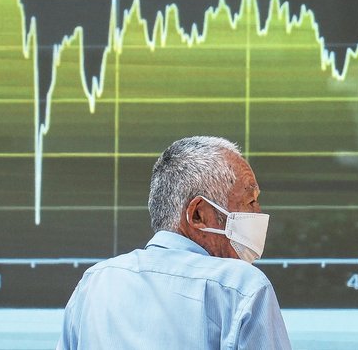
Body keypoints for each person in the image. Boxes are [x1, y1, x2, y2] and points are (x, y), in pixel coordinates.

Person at [57, 136, 291, 349]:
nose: (259, 214)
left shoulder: (94, 283)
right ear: (198, 214)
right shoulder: (241, 287)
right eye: (250, 201)